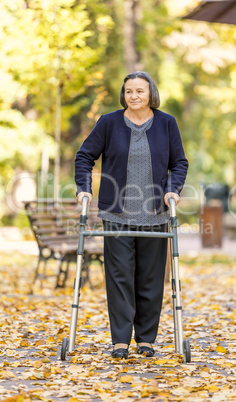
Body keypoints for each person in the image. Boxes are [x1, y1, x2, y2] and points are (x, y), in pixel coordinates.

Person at [75, 71, 188, 359]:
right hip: (116, 214)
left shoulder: (166, 123)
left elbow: (179, 162)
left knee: (150, 279)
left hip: (155, 215)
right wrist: (83, 189)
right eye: (129, 92)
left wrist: (173, 190)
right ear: (123, 95)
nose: (134, 96)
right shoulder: (109, 123)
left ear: (151, 93)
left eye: (140, 91)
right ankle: (120, 341)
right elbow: (85, 156)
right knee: (119, 277)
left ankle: (146, 339)